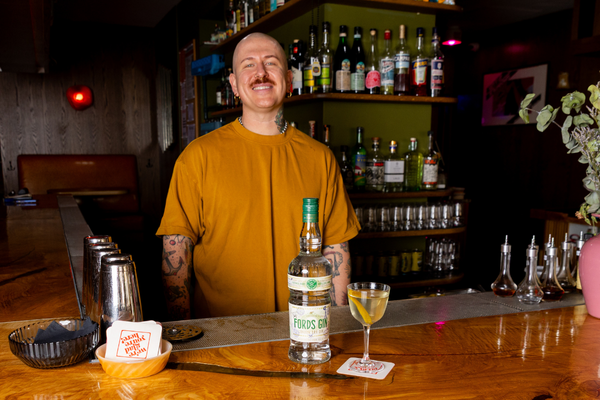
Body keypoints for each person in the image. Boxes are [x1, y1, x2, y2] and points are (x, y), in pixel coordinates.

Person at [156, 32, 360, 320]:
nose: (261, 72)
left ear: (289, 79)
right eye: (249, 64)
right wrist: (184, 333)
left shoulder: (320, 158)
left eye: (271, 62)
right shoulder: (197, 156)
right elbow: (176, 251)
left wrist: (337, 325)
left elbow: (336, 248)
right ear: (234, 84)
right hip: (222, 333)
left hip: (304, 329)